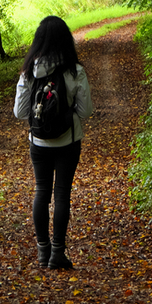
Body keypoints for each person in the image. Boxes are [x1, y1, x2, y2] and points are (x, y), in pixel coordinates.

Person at [13, 15, 94, 270]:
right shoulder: (74, 71)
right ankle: (57, 253)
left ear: (39, 41)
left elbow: (20, 112)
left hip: (38, 143)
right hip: (68, 142)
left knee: (41, 191)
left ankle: (42, 251)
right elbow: (86, 111)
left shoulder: (28, 72)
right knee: (61, 194)